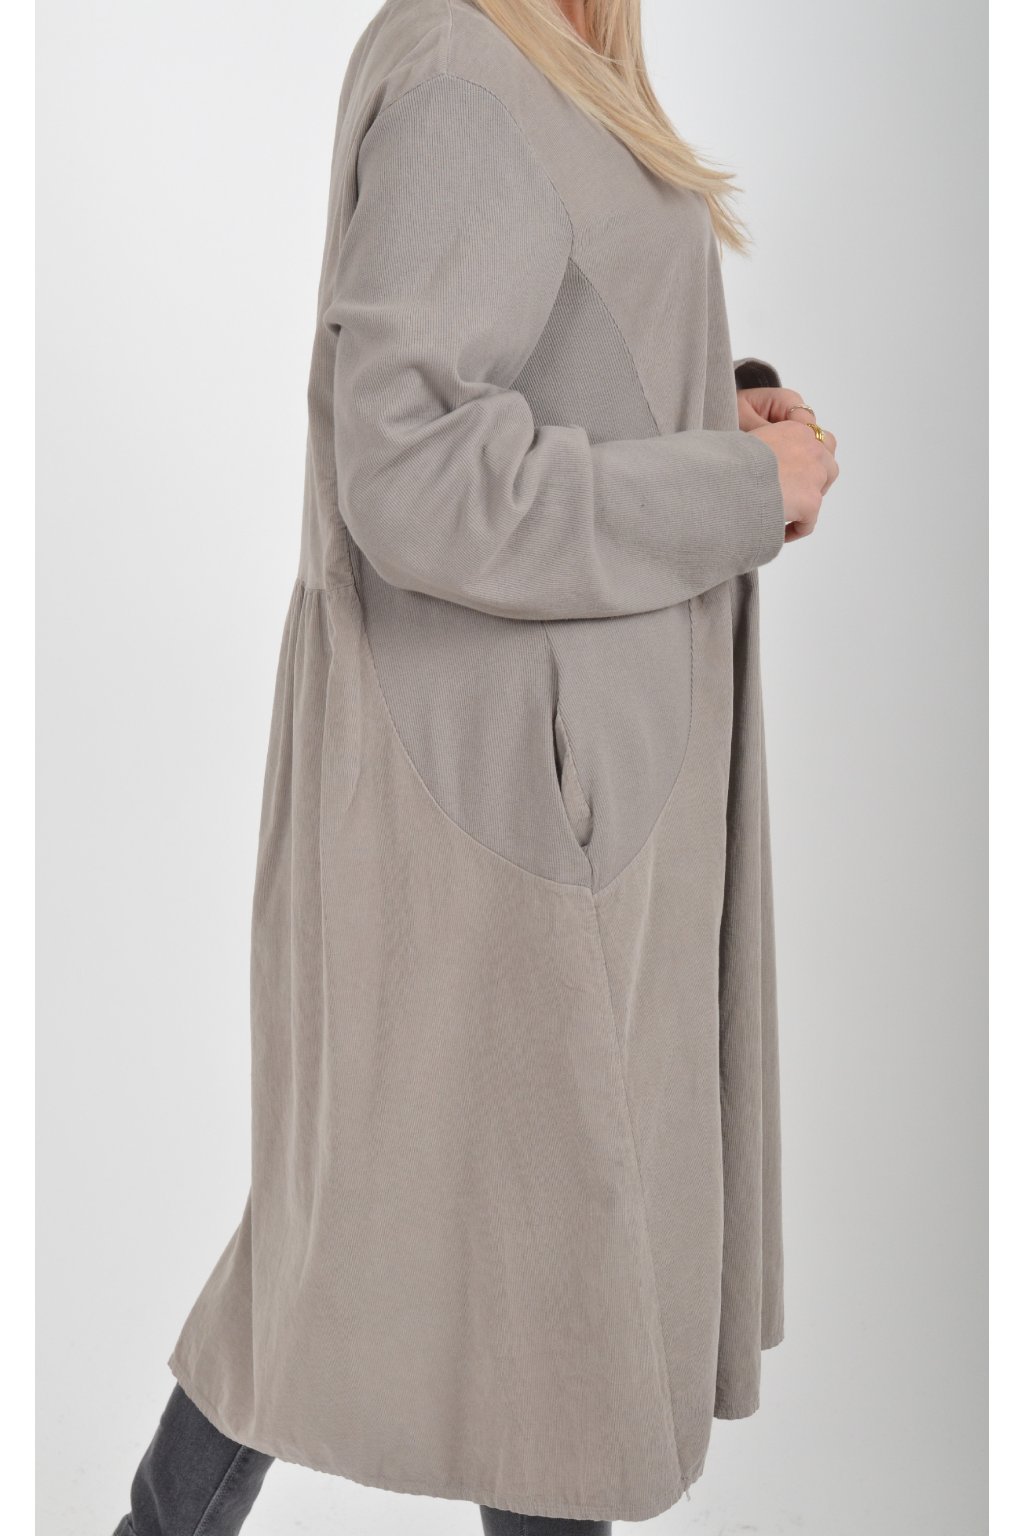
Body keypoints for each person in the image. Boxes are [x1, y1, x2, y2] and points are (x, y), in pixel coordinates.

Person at [112, 0, 839, 1531]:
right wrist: (729, 487)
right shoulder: (466, 63)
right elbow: (412, 467)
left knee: (388, 1237)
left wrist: (709, 423)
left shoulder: (551, 61)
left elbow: (531, 380)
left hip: (558, 788)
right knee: (550, 1304)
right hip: (518, 807)